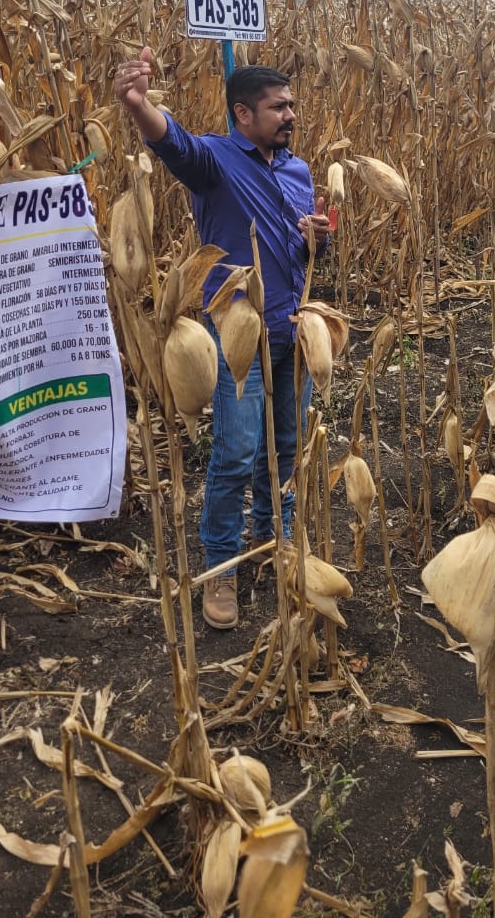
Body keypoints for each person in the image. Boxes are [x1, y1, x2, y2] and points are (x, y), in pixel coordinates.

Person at [115, 49, 330, 629]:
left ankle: (274, 535)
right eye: (278, 108)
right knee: (235, 451)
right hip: (238, 334)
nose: (291, 115)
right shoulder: (213, 161)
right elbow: (173, 143)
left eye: (291, 106)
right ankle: (221, 566)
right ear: (243, 114)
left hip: (292, 329)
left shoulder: (297, 170)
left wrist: (316, 240)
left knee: (286, 447)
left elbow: (301, 249)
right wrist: (137, 104)